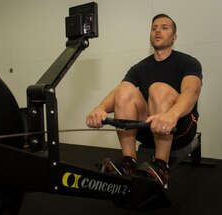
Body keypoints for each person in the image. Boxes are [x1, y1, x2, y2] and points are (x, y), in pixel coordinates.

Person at [86, 14, 202, 189]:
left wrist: (172, 114)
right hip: (150, 129)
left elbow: (191, 91)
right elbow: (119, 91)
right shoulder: (139, 67)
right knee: (124, 90)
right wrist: (100, 108)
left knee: (157, 89)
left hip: (179, 128)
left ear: (174, 37)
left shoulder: (188, 62)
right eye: (154, 27)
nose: (158, 30)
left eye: (164, 27)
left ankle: (161, 166)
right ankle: (128, 162)